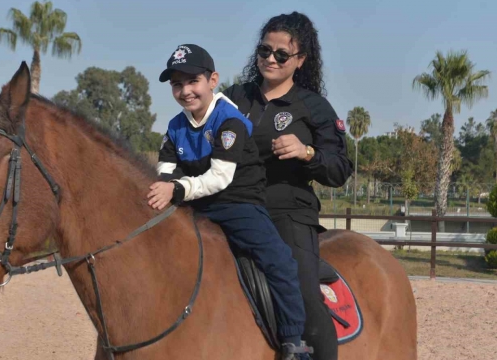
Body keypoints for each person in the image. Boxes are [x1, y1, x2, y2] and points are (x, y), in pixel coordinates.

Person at [147, 43, 311, 360]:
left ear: (212, 80)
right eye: (177, 84)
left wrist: (175, 190)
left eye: (193, 81)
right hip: (195, 205)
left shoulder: (228, 121)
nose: (185, 91)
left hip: (237, 203)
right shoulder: (175, 126)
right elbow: (165, 170)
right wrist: (163, 189)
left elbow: (219, 178)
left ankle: (294, 342)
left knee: (280, 260)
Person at [222, 11, 353, 360]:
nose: (270, 59)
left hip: (287, 213)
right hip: (230, 206)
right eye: (265, 50)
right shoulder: (234, 97)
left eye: (282, 54)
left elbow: (340, 169)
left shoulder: (314, 107)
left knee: (305, 300)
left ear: (300, 61)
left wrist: (306, 152)